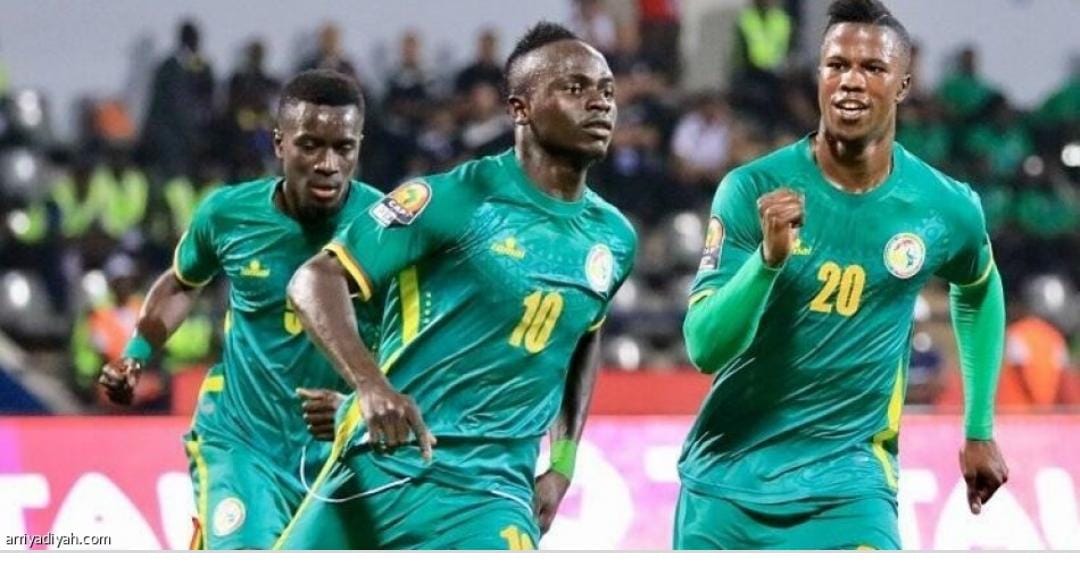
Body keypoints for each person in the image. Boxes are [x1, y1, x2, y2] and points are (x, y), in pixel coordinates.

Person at [276, 22, 637, 550]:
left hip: (489, 496)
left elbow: (585, 334)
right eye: (575, 87)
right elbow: (314, 279)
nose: (599, 103)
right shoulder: (455, 199)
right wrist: (369, 384)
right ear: (520, 109)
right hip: (379, 469)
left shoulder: (614, 238)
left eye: (606, 90)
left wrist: (561, 463)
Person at [676, 0, 1008, 550]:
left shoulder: (943, 207)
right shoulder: (752, 189)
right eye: (837, 65)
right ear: (819, 76)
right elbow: (705, 348)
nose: (851, 80)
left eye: (873, 68)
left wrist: (979, 430)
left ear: (903, 85)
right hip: (727, 485)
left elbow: (979, 287)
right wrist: (766, 263)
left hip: (851, 488)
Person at [97, 70, 384, 550]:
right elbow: (182, 282)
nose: (328, 164)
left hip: (337, 454)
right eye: (310, 145)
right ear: (279, 143)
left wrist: (362, 405)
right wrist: (136, 354)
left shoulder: (385, 228)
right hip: (243, 440)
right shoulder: (229, 214)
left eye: (343, 148)